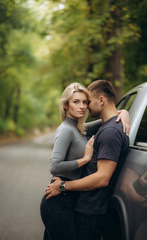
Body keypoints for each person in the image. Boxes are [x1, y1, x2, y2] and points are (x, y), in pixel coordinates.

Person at [45, 80, 129, 240]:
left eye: (86, 102)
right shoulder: (66, 130)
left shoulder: (81, 129)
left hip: (72, 200)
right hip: (58, 200)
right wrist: (85, 159)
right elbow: (54, 166)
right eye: (76, 102)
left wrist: (124, 112)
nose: (84, 106)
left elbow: (108, 120)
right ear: (66, 105)